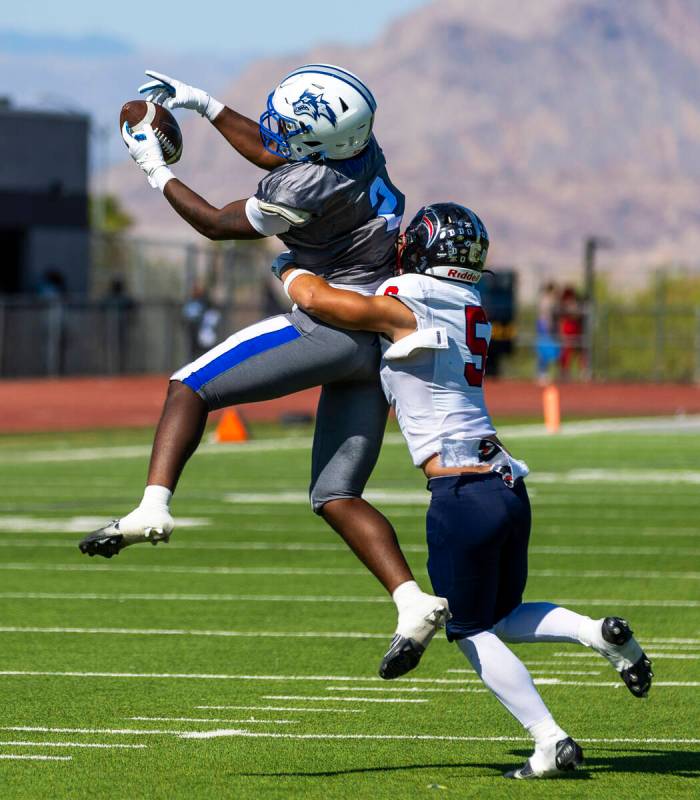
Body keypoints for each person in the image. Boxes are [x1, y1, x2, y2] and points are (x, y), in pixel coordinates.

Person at [78, 64, 449, 679]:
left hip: (330, 325)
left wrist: (155, 170)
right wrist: (203, 103)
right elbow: (276, 150)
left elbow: (218, 224)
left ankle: (152, 505)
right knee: (335, 495)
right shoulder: (356, 147)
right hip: (374, 338)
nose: (276, 128)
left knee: (189, 385)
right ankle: (412, 601)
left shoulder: (308, 187)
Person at [276, 202, 653, 779]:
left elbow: (326, 303)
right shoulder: (470, 302)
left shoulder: (412, 300)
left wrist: (289, 267)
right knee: (499, 616)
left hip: (461, 491)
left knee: (471, 628)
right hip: (505, 482)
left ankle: (548, 739)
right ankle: (598, 634)